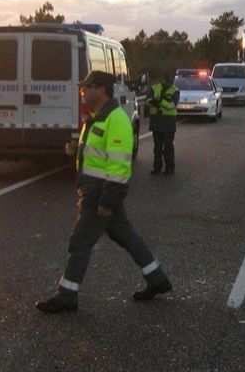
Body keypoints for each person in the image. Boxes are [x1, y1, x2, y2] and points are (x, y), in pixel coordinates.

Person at [36, 71, 172, 313]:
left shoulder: (116, 119)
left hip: (100, 193)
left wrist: (107, 200)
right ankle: (157, 279)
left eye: (87, 87)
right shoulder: (97, 117)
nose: (82, 91)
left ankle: (67, 295)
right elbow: (97, 152)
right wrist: (74, 150)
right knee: (126, 236)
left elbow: (119, 166)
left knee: (80, 242)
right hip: (97, 190)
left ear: (101, 90)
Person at [147, 72, 179, 175]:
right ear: (164, 79)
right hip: (156, 120)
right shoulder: (154, 88)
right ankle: (157, 168)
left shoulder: (175, 90)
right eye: (167, 80)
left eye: (170, 81)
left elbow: (171, 105)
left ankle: (170, 169)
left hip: (169, 121)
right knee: (157, 147)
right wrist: (163, 101)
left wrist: (159, 101)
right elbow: (148, 100)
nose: (168, 83)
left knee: (168, 146)